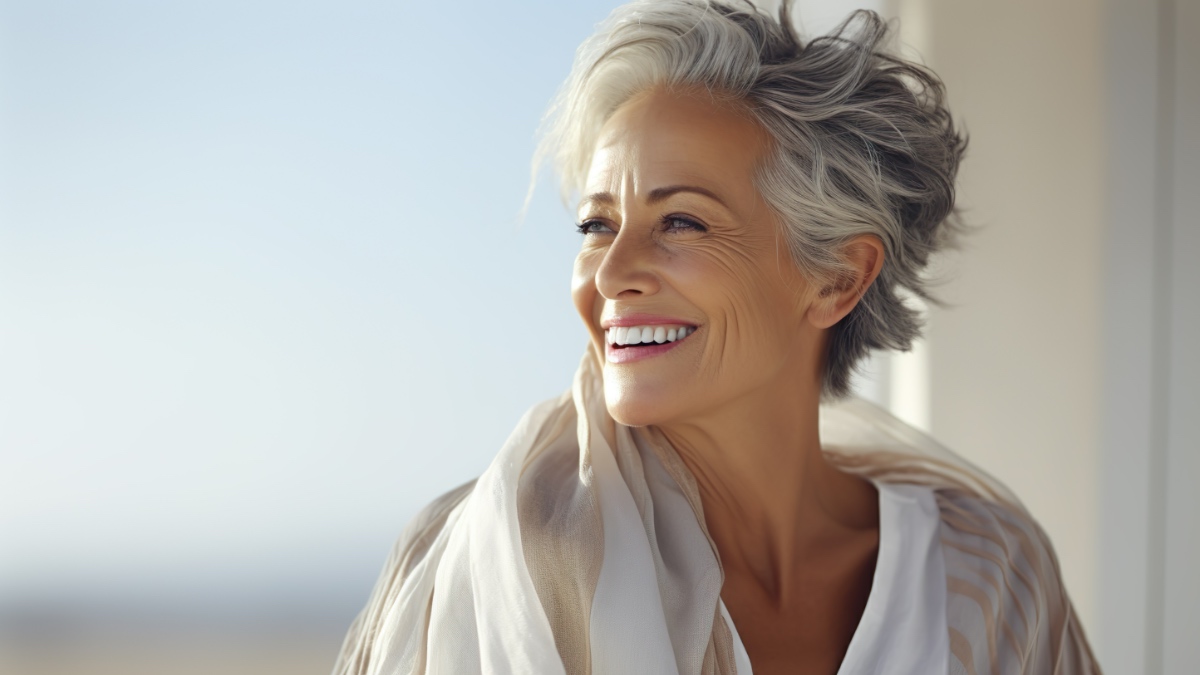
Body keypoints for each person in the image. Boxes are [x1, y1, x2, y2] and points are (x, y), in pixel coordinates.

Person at [332, 1, 1099, 673]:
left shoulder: (991, 575)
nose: (611, 274)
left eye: (681, 221)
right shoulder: (497, 562)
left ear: (836, 276)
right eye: (598, 225)